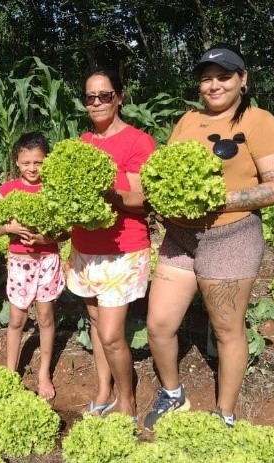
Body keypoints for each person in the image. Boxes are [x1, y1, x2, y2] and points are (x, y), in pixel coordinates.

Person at [144, 43, 274, 429]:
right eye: (206, 78)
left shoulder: (258, 121)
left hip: (231, 237)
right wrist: (159, 199)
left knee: (227, 330)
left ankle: (224, 413)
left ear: (243, 80)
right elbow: (167, 170)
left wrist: (213, 200)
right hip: (180, 236)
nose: (213, 85)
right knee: (158, 324)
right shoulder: (188, 120)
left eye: (224, 77)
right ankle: (173, 394)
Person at [65, 70, 155, 418]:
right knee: (94, 319)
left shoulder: (138, 142)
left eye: (104, 95)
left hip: (124, 249)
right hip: (85, 246)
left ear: (119, 97)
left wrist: (106, 192)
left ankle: (128, 399)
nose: (97, 102)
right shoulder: (82, 143)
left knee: (112, 333)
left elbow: (141, 200)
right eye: (90, 97)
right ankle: (104, 387)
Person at [0, 132, 65, 399]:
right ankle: (11, 371)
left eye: (38, 162)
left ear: (47, 161)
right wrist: (10, 227)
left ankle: (44, 373)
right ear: (17, 162)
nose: (32, 168)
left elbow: (65, 232)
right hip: (20, 262)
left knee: (45, 318)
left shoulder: (53, 189)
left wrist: (46, 238)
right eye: (26, 163)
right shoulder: (8, 190)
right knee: (17, 319)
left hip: (48, 260)